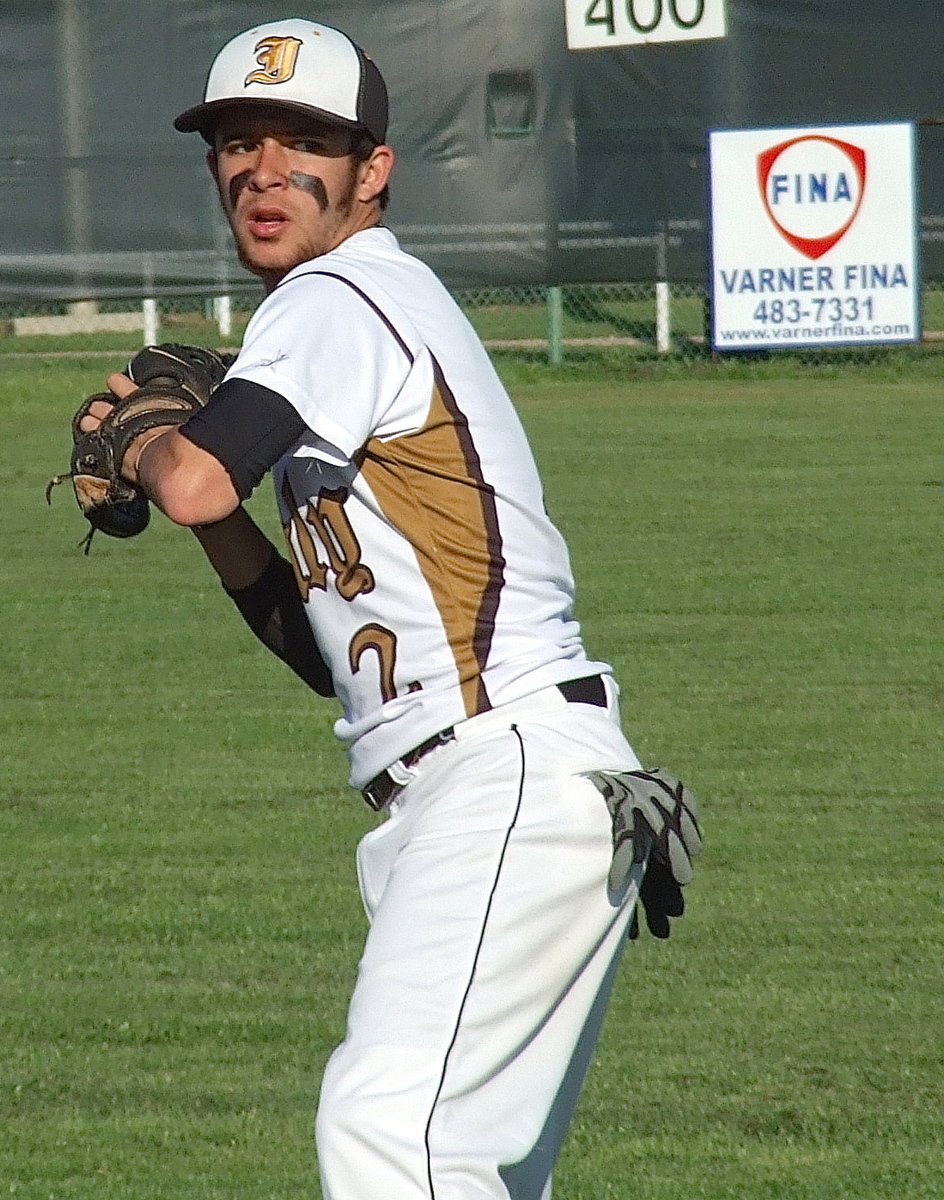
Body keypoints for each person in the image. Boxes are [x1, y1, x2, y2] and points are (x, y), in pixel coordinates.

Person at [77, 18, 698, 1199]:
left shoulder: (340, 293)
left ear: (371, 171)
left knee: (386, 1135)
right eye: (236, 142)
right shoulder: (353, 319)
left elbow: (197, 475)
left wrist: (148, 439)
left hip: (503, 774)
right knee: (459, 1167)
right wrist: (205, 505)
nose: (264, 170)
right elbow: (327, 657)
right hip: (490, 784)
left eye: (303, 142)